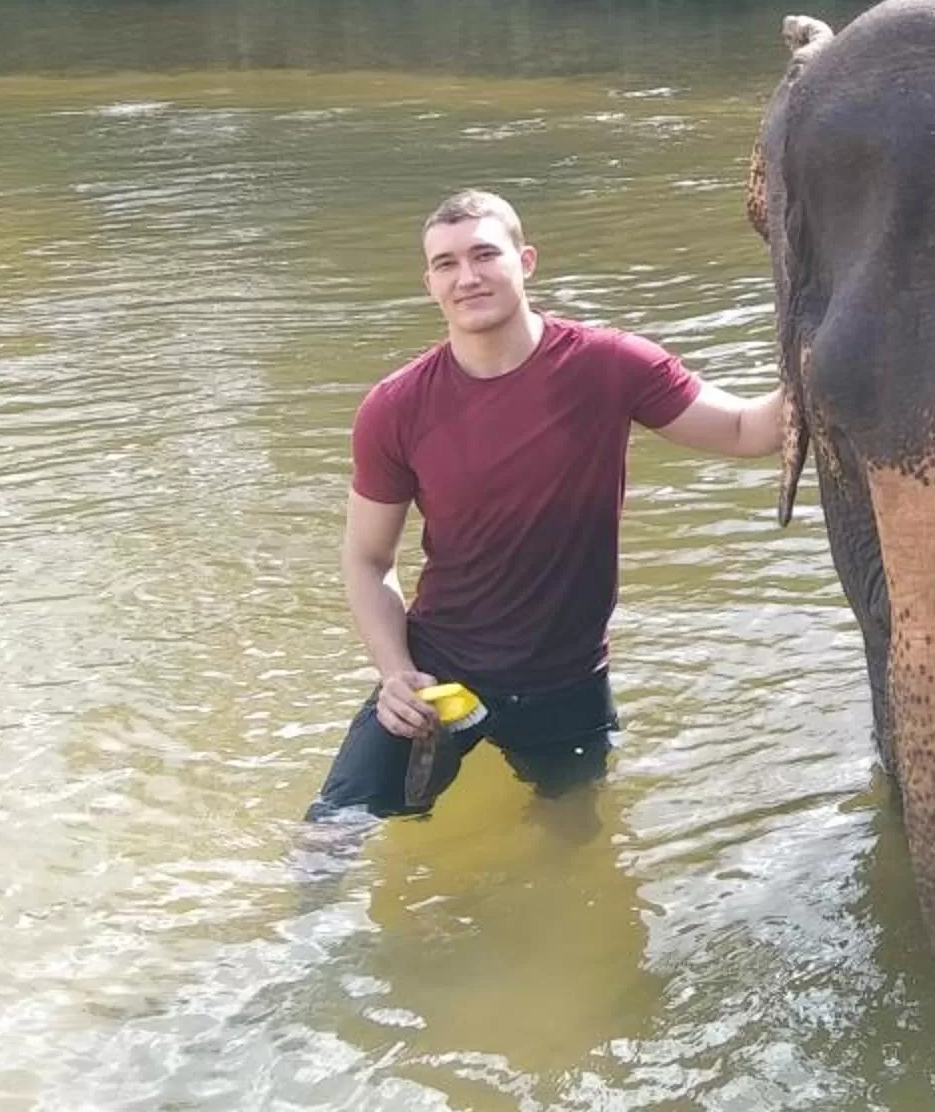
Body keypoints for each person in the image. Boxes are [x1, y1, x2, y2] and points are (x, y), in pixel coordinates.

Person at [305, 187, 784, 822]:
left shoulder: (609, 365)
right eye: (446, 264)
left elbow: (747, 431)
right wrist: (395, 675)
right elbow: (367, 559)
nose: (467, 277)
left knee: (572, 843)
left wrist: (817, 350)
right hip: (441, 675)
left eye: (484, 255)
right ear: (428, 283)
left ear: (525, 261)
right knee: (329, 837)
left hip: (569, 681)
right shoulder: (395, 408)